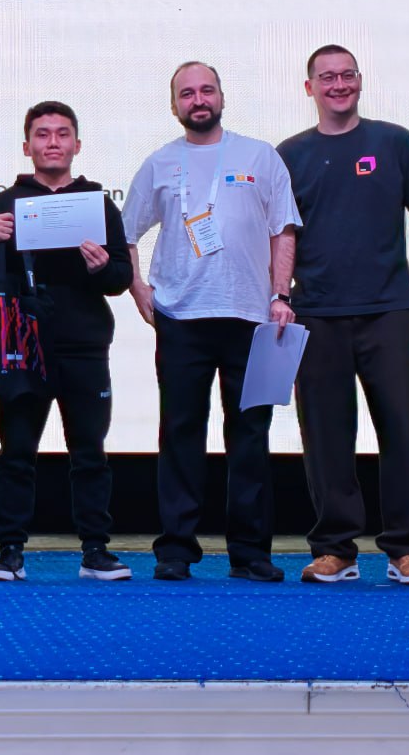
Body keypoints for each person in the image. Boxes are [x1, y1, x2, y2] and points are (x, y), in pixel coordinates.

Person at [123, 61, 300, 582]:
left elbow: (283, 229)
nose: (198, 100)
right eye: (187, 93)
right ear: (173, 105)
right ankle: (176, 549)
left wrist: (281, 294)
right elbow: (125, 233)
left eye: (207, 90)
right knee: (181, 434)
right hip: (181, 317)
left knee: (250, 436)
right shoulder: (158, 163)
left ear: (222, 96)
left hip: (251, 316)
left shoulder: (260, 156)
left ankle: (250, 553)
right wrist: (138, 288)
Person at [278, 45, 409, 586]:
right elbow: (281, 233)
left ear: (360, 81)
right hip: (316, 312)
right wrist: (280, 296)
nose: (338, 84)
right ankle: (335, 550)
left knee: (405, 430)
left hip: (388, 309)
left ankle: (407, 550)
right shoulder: (289, 154)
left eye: (347, 74)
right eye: (326, 77)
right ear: (310, 88)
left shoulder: (393, 141)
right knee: (325, 436)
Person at [0, 101, 133, 582]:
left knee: (90, 452)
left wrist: (103, 267)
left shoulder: (99, 204)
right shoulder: (4, 204)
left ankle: (95, 551)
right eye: (43, 134)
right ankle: (10, 551)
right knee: (16, 451)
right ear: (27, 146)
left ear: (77, 144)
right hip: (21, 346)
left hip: (84, 344)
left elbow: (120, 278)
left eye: (62, 134)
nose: (53, 142)